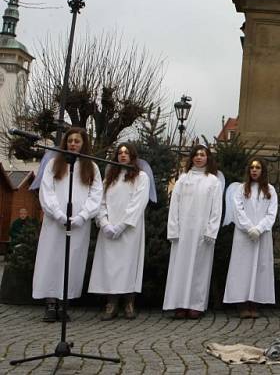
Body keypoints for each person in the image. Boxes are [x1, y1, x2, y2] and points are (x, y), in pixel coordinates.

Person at [32, 127, 102, 322]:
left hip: (78, 224)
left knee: (72, 261)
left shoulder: (92, 167)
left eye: (77, 141)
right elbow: (47, 191)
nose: (73, 144)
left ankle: (65, 303)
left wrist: (82, 216)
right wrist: (58, 214)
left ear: (83, 144)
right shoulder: (54, 164)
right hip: (55, 223)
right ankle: (50, 303)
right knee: (51, 259)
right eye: (70, 140)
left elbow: (95, 195)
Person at [88, 143, 150, 320]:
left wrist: (122, 225)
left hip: (130, 230)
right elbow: (101, 202)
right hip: (109, 230)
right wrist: (105, 223)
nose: (123, 155)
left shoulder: (141, 177)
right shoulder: (109, 178)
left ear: (133, 156)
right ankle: (111, 303)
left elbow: (138, 203)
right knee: (109, 266)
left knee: (128, 265)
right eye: (120, 153)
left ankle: (129, 303)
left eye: (126, 152)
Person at [163, 144, 223, 319]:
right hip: (183, 232)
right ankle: (179, 303)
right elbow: (174, 205)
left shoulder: (213, 181)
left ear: (207, 158)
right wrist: (173, 229)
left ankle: (195, 304)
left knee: (199, 268)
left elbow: (216, 209)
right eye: (196, 154)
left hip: (202, 233)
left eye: (202, 155)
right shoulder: (183, 179)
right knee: (179, 268)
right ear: (191, 158)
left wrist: (211, 230)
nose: (198, 157)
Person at [223, 158, 278, 318]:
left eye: (258, 167)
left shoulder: (270, 190)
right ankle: (242, 303)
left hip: (262, 235)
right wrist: (249, 228)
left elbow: (272, 212)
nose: (254, 170)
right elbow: (237, 210)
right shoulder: (241, 189)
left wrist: (259, 228)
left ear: (263, 170)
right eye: (252, 167)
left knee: (259, 267)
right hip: (243, 236)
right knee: (242, 268)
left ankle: (255, 303)